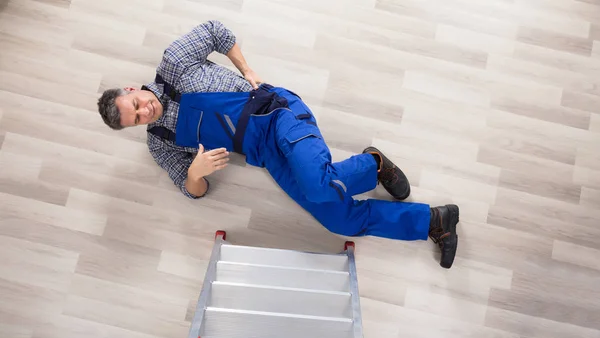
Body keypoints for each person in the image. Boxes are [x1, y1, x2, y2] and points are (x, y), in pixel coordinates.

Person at [97, 20, 459, 268]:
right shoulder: (161, 143)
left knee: (319, 186)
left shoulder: (174, 63)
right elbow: (194, 191)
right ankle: (432, 220)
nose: (146, 111)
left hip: (278, 114)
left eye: (137, 105)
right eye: (139, 118)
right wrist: (195, 173)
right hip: (264, 154)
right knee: (340, 220)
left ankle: (372, 166)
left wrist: (246, 69)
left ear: (131, 89)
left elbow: (215, 31)